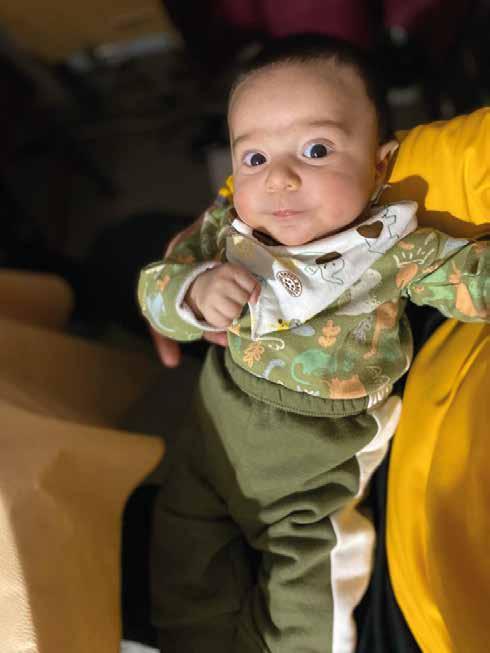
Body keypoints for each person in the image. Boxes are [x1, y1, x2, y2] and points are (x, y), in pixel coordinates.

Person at [137, 35, 490, 653]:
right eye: (254, 158)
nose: (279, 178)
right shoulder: (228, 231)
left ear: (380, 165)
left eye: (316, 150)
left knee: (309, 606)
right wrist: (192, 291)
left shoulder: (393, 248)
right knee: (181, 565)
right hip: (214, 440)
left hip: (316, 475)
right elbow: (155, 289)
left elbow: (470, 281)